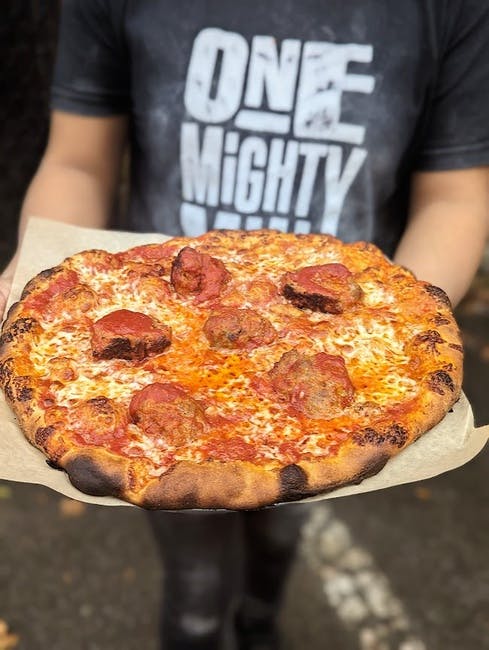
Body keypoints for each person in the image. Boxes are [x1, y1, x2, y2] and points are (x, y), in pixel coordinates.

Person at [1, 1, 489, 648]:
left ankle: (260, 619)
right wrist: (29, 279)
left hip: (357, 366)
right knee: (194, 583)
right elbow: (77, 162)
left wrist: (397, 327)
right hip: (129, 363)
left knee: (282, 535)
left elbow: (456, 195)